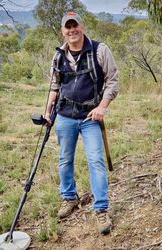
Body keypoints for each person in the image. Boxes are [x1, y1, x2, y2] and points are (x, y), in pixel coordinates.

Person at [44, 11, 118, 235]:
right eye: (68, 27)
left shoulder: (99, 50)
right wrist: (47, 111)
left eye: (75, 25)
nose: (72, 30)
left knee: (96, 161)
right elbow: (54, 87)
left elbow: (113, 81)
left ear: (82, 27)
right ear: (63, 30)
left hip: (89, 117)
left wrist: (102, 107)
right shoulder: (58, 56)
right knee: (65, 159)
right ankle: (69, 198)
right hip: (65, 116)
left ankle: (101, 209)